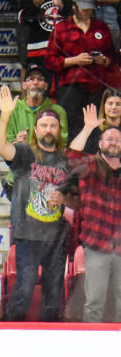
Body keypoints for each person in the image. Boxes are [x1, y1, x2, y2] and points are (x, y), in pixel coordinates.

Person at [0, 85, 70, 322]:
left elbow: (76, 198)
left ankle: (50, 340)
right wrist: (6, 115)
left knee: (53, 296)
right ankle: (9, 336)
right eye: (44, 125)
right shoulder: (25, 153)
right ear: (35, 129)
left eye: (53, 125)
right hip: (28, 235)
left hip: (56, 237)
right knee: (24, 291)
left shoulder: (66, 160)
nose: (48, 129)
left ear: (58, 130)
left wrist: (66, 199)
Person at [67, 108, 121, 322]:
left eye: (118, 139)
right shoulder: (90, 165)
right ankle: (92, 356)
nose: (114, 142)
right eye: (109, 138)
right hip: (97, 246)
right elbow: (71, 158)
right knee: (94, 304)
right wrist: (88, 127)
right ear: (100, 144)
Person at [45, 0, 114, 142]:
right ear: (74, 7)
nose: (87, 11)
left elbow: (113, 57)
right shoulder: (61, 28)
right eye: (83, 9)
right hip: (71, 86)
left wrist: (103, 60)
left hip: (96, 86)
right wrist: (74, 60)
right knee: (70, 127)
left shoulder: (101, 27)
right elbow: (50, 60)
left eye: (89, 9)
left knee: (97, 128)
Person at [3, 63, 68, 198]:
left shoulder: (58, 111)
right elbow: (4, 144)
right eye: (31, 79)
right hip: (18, 179)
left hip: (47, 179)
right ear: (24, 85)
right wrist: (17, 143)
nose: (35, 82)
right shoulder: (13, 109)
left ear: (46, 86)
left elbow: (62, 145)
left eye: (40, 79)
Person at [71, 87, 121, 155]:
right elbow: (73, 152)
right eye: (110, 103)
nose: (114, 107)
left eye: (118, 104)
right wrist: (87, 128)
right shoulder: (94, 128)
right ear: (104, 105)